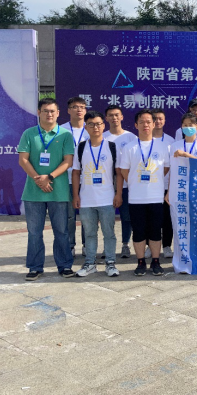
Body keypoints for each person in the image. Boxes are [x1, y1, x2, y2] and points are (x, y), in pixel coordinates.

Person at [18, 98, 75, 280]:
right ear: (39, 112)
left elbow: (68, 161)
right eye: (45, 111)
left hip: (58, 192)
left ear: (58, 113)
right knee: (35, 232)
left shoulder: (65, 135)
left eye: (52, 111)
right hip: (33, 193)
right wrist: (38, 179)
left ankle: (65, 266)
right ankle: (35, 267)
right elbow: (23, 160)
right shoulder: (29, 134)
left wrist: (49, 177)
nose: (49, 114)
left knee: (62, 232)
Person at [118, 109, 170, 276]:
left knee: (155, 231)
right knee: (139, 231)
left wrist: (153, 180)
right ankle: (140, 262)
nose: (145, 125)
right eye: (142, 122)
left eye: (149, 122)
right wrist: (136, 182)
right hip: (136, 198)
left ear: (154, 124)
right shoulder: (129, 147)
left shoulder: (163, 146)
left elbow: (166, 168)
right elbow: (124, 170)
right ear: (136, 125)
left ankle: (156, 261)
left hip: (156, 197)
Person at [72, 111, 121, 277]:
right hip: (86, 199)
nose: (95, 127)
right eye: (91, 124)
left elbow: (118, 173)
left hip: (107, 198)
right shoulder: (81, 147)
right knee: (89, 234)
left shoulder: (112, 147)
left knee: (109, 233)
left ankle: (110, 263)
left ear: (103, 125)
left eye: (98, 124)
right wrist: (76, 195)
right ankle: (90, 263)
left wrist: (118, 194)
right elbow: (76, 173)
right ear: (86, 127)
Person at [103, 104, 137, 258]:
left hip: (126, 184)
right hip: (106, 183)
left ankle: (125, 244)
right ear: (106, 118)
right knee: (106, 217)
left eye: (117, 115)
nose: (114, 118)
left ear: (122, 117)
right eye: (111, 115)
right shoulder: (102, 137)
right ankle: (107, 246)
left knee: (126, 217)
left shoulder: (131, 137)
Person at [62, 97, 89, 257]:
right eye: (75, 107)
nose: (79, 110)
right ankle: (70, 246)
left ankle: (87, 245)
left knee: (87, 215)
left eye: (82, 107)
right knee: (69, 216)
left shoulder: (91, 128)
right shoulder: (61, 130)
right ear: (68, 110)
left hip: (87, 180)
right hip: (66, 179)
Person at [152, 109, 175, 259]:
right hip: (150, 186)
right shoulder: (144, 139)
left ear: (164, 121)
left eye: (160, 118)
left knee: (167, 219)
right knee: (152, 218)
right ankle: (150, 245)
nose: (158, 121)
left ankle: (166, 245)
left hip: (167, 185)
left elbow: (173, 165)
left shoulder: (171, 141)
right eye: (155, 118)